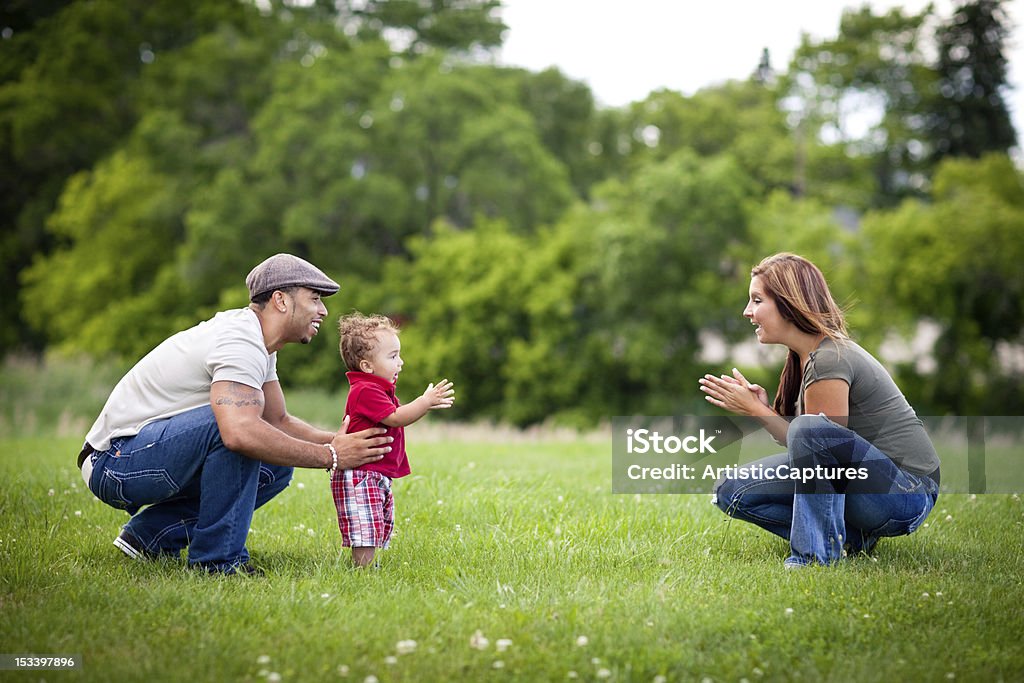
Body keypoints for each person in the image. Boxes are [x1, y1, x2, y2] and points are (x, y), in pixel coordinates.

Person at [78, 254, 394, 575]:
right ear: (281, 300)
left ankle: (150, 535)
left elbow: (278, 421)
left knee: (276, 467)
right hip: (115, 463)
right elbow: (239, 432)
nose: (323, 310)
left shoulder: (260, 344)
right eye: (314, 299)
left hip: (138, 457)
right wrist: (331, 456)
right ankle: (217, 563)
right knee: (236, 432)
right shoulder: (239, 342)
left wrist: (341, 442)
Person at [698, 252, 940, 568]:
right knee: (730, 490)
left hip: (905, 494)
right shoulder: (806, 358)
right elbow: (814, 454)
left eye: (757, 301)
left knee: (811, 430)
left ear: (788, 303)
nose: (747, 312)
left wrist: (758, 411)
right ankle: (849, 539)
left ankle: (814, 557)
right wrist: (760, 408)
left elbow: (818, 443)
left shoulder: (828, 358)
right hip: (866, 486)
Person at [332, 313, 455, 567]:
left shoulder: (377, 389)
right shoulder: (365, 390)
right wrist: (425, 401)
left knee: (378, 519)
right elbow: (396, 418)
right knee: (365, 525)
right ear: (367, 366)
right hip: (360, 474)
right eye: (392, 356)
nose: (400, 362)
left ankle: (368, 564)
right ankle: (363, 569)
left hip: (372, 472)